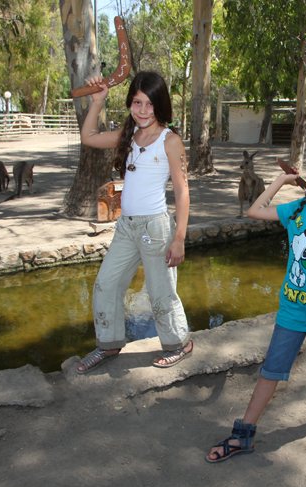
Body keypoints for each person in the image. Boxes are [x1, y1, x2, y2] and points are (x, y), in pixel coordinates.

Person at [205, 134, 306, 463]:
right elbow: (254, 210)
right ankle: (244, 434)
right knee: (272, 369)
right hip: (293, 309)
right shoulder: (298, 208)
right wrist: (282, 178)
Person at [76, 71, 193, 373]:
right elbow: (87, 137)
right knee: (106, 284)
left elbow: (182, 192)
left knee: (160, 291)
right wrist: (98, 101)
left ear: (160, 105)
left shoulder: (170, 141)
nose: (142, 110)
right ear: (130, 103)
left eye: (149, 104)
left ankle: (179, 343)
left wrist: (179, 237)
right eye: (137, 103)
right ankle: (109, 343)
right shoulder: (127, 137)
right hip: (127, 227)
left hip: (156, 228)